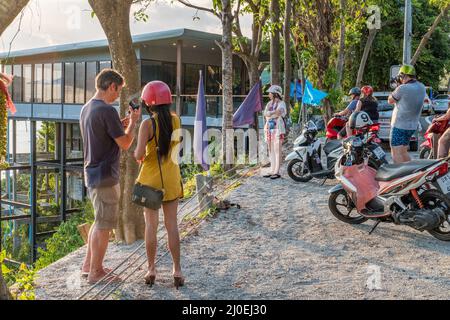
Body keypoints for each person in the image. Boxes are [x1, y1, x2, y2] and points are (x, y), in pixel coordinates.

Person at [80, 69, 141, 284]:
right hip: (106, 175)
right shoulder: (107, 111)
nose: (118, 96)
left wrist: (120, 124)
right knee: (105, 226)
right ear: (111, 86)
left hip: (92, 173)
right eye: (118, 91)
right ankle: (96, 272)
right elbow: (125, 144)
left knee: (98, 222)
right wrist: (133, 122)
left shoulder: (87, 108)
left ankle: (89, 266)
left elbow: (101, 135)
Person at [134, 81, 184, 289]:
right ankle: (177, 270)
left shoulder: (147, 125)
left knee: (151, 227)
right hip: (171, 179)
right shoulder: (176, 120)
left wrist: (144, 154)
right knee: (172, 225)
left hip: (150, 182)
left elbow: (138, 154)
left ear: (149, 104)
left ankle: (151, 268)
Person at [388, 64, 425, 163]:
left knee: (396, 153)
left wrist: (398, 86)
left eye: (400, 77)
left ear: (404, 76)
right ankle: (410, 173)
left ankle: (401, 175)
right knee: (403, 152)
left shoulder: (402, 88)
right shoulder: (422, 87)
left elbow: (390, 100)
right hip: (412, 126)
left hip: (399, 125)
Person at [263, 85, 287, 179]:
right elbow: (265, 114)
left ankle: (277, 171)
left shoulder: (282, 103)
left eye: (270, 93)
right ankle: (272, 169)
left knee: (277, 149)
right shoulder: (269, 103)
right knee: (270, 149)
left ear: (275, 94)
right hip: (269, 127)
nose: (269, 94)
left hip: (277, 127)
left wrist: (270, 113)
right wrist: (272, 113)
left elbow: (279, 112)